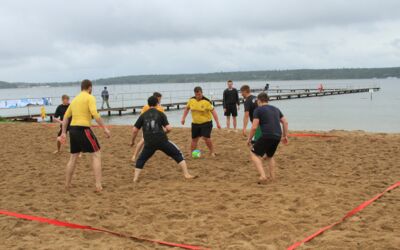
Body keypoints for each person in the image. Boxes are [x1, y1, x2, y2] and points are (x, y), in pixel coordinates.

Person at [58, 79, 111, 192]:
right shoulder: (89, 97)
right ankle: (98, 185)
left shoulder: (75, 99)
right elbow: (95, 114)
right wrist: (105, 128)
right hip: (83, 129)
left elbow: (66, 117)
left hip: (73, 130)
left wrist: (63, 132)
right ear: (89, 87)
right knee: (96, 154)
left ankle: (67, 184)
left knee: (73, 157)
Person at [131, 96, 195, 182]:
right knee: (177, 154)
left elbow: (134, 130)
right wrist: (163, 132)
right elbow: (169, 128)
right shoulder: (160, 114)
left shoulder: (143, 115)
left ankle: (135, 178)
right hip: (162, 140)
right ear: (157, 104)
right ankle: (186, 174)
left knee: (141, 159)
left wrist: (132, 141)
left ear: (148, 104)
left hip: (149, 142)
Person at [247, 92, 288, 184]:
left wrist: (249, 139)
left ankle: (263, 176)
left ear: (259, 100)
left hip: (267, 135)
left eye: (257, 101)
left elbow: (254, 127)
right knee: (270, 156)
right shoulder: (276, 109)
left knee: (253, 154)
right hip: (277, 135)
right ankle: (272, 177)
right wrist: (285, 136)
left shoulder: (258, 110)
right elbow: (285, 122)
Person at [181, 86, 221, 157]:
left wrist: (217, 123)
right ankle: (192, 153)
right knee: (194, 139)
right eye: (196, 94)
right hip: (195, 123)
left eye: (199, 94)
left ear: (202, 93)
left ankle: (212, 152)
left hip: (206, 123)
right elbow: (187, 109)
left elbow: (213, 112)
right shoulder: (191, 100)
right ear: (195, 94)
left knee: (206, 138)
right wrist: (183, 118)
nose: (198, 96)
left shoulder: (207, 101)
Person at [131, 92, 165, 162]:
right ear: (155, 99)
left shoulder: (161, 108)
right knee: (143, 140)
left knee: (149, 143)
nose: (160, 101)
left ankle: (141, 155)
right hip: (147, 127)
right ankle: (134, 156)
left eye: (160, 99)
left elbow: (162, 119)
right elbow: (142, 117)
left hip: (156, 128)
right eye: (159, 99)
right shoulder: (146, 107)